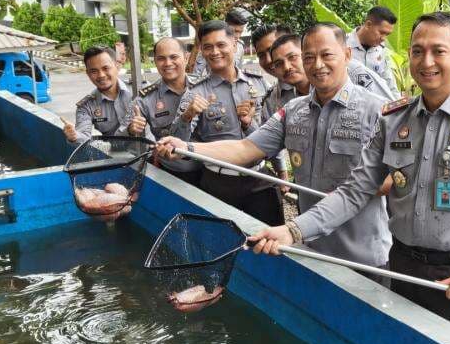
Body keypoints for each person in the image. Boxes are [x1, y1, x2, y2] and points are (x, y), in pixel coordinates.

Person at [249, 12, 450, 344]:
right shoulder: (393, 120)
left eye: (438, 50)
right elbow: (354, 192)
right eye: (417, 51)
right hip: (402, 267)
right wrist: (293, 230)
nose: (426, 61)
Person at [157, 22, 393, 271]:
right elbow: (244, 149)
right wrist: (187, 147)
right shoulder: (293, 111)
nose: (318, 64)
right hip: (313, 249)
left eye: (327, 55)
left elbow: (390, 181)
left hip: (363, 256)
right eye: (310, 57)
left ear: (346, 55)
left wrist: (303, 223)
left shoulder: (378, 111)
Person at [172, 20, 284, 226]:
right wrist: (186, 117)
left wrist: (281, 170)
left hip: (259, 179)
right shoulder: (196, 92)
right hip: (219, 183)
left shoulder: (258, 83)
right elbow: (178, 144)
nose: (215, 52)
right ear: (202, 51)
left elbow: (274, 132)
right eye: (208, 47)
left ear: (234, 44)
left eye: (221, 45)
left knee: (271, 244)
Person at [116, 37, 202, 185]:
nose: (168, 63)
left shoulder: (204, 87)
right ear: (155, 61)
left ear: (186, 58)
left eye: (174, 57)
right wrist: (131, 129)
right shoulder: (144, 99)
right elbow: (118, 140)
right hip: (169, 174)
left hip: (207, 170)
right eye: (161, 58)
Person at [251, 24, 294, 192]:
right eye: (261, 55)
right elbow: (264, 144)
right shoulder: (272, 101)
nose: (269, 60)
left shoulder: (333, 78)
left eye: (272, 50)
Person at [62, 46, 133, 145]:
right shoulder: (86, 106)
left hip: (151, 154)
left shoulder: (137, 91)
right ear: (88, 74)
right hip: (116, 157)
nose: (101, 75)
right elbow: (83, 136)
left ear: (117, 66)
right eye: (94, 71)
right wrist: (74, 135)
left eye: (106, 68)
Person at [347, 6, 400, 99]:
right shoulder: (342, 45)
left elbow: (389, 83)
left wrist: (398, 106)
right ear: (368, 25)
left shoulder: (381, 51)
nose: (383, 38)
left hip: (376, 109)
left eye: (387, 34)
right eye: (381, 32)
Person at [193, 9, 248, 76]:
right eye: (235, 31)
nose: (237, 36)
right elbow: (197, 74)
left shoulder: (240, 46)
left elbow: (239, 72)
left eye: (240, 32)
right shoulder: (209, 47)